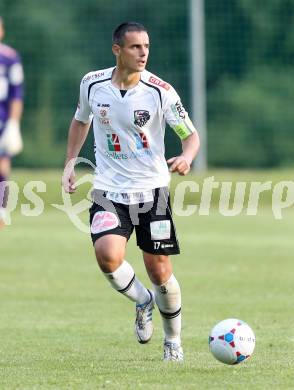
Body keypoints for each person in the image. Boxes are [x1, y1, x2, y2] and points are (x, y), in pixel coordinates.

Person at [63, 21, 200, 361]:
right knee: (108, 257)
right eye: (135, 47)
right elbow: (81, 120)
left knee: (160, 270)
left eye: (146, 47)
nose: (143, 54)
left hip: (152, 192)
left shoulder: (160, 92)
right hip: (109, 189)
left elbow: (190, 135)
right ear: (117, 50)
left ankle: (173, 342)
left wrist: (187, 157)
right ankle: (142, 300)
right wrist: (70, 163)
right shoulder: (92, 84)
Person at [0, 16, 24, 227]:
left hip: (1, 118)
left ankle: (1, 209)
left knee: (2, 163)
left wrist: (13, 124)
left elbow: (17, 93)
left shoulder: (9, 57)